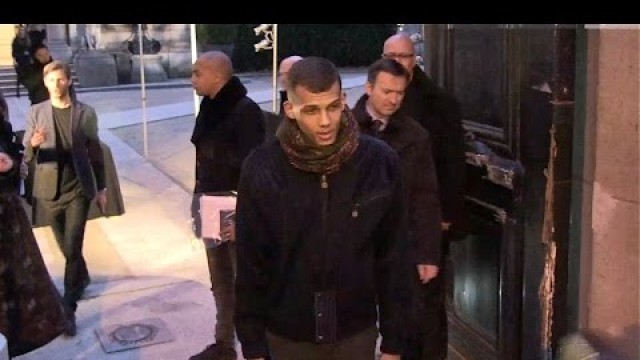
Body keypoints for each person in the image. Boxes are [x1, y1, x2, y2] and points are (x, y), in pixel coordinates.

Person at [234, 56, 411, 360]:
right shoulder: (262, 168)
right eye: (312, 110)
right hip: (288, 334)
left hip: (356, 332)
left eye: (332, 106)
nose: (326, 121)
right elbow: (250, 262)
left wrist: (395, 341)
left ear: (343, 99)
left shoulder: (378, 162)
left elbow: (394, 256)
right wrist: (252, 345)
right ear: (290, 109)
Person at [382, 32, 467, 360]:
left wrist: (446, 216)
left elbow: (452, 164)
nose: (398, 62)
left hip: (427, 217)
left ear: (414, 59)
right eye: (392, 55)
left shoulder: (439, 102)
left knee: (428, 304)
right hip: (391, 222)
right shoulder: (378, 99)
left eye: (404, 56)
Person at [352, 58, 442, 358]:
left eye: (400, 93)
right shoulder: (345, 129)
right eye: (387, 91)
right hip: (354, 242)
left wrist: (428, 253)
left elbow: (425, 197)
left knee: (402, 322)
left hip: (397, 242)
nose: (393, 99)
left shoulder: (415, 135)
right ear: (369, 88)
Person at [189, 50, 266, 360]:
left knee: (241, 280)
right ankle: (223, 344)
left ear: (218, 76)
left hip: (230, 203)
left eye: (197, 73)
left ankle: (256, 347)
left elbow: (254, 167)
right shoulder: (210, 106)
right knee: (219, 279)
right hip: (209, 200)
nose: (191, 79)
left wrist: (244, 217)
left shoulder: (244, 111)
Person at [22, 60, 107, 337]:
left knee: (72, 246)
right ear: (44, 83)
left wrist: (102, 188)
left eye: (60, 80)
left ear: (69, 82)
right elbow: (26, 155)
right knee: (65, 247)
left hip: (78, 190)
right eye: (50, 81)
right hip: (49, 190)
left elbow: (95, 152)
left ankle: (67, 310)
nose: (55, 86)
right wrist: (33, 146)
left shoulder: (85, 113)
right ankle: (80, 277)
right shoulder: (36, 112)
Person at [0, 88, 71, 358]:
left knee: (18, 278)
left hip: (8, 216)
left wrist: (12, 161)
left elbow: (17, 159)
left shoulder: (2, 123)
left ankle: (14, 338)